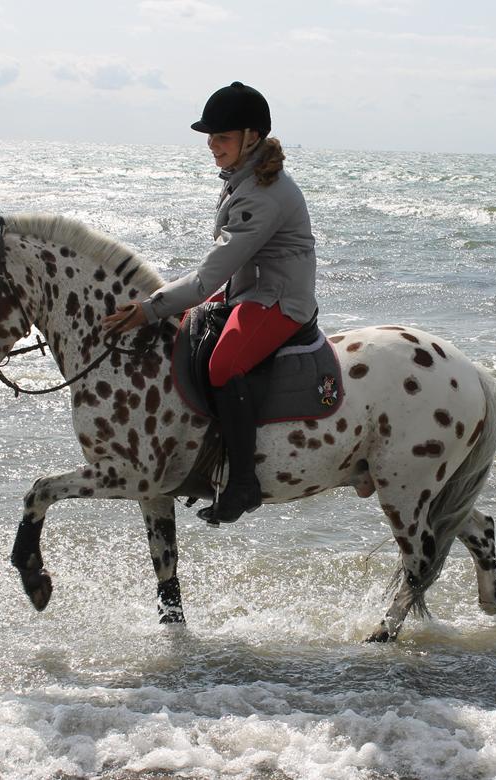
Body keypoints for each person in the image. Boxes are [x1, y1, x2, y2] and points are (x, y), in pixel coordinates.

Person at [102, 81, 319, 524]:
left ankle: (243, 482)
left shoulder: (263, 193)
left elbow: (207, 277)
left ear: (251, 137)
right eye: (210, 136)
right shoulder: (245, 178)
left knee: (223, 366)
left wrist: (148, 308)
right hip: (249, 292)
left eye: (221, 137)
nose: (211, 145)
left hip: (279, 300)